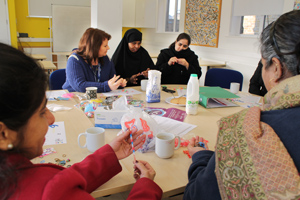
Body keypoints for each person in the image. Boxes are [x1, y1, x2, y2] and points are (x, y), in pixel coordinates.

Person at [0, 43, 162, 200]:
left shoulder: (12, 179)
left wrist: (109, 155)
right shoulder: (45, 190)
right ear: (3, 134)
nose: (51, 119)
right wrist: (145, 187)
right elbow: (54, 189)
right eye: (42, 112)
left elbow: (63, 181)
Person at [184, 10, 300, 200]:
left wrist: (202, 158)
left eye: (264, 65)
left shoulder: (248, 132)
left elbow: (196, 196)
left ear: (276, 69)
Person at [62, 28, 126, 93]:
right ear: (94, 47)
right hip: (73, 97)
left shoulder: (106, 59)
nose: (108, 48)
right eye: (105, 46)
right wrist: (106, 86)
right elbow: (80, 86)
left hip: (97, 97)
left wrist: (118, 83)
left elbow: (112, 80)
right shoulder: (74, 60)